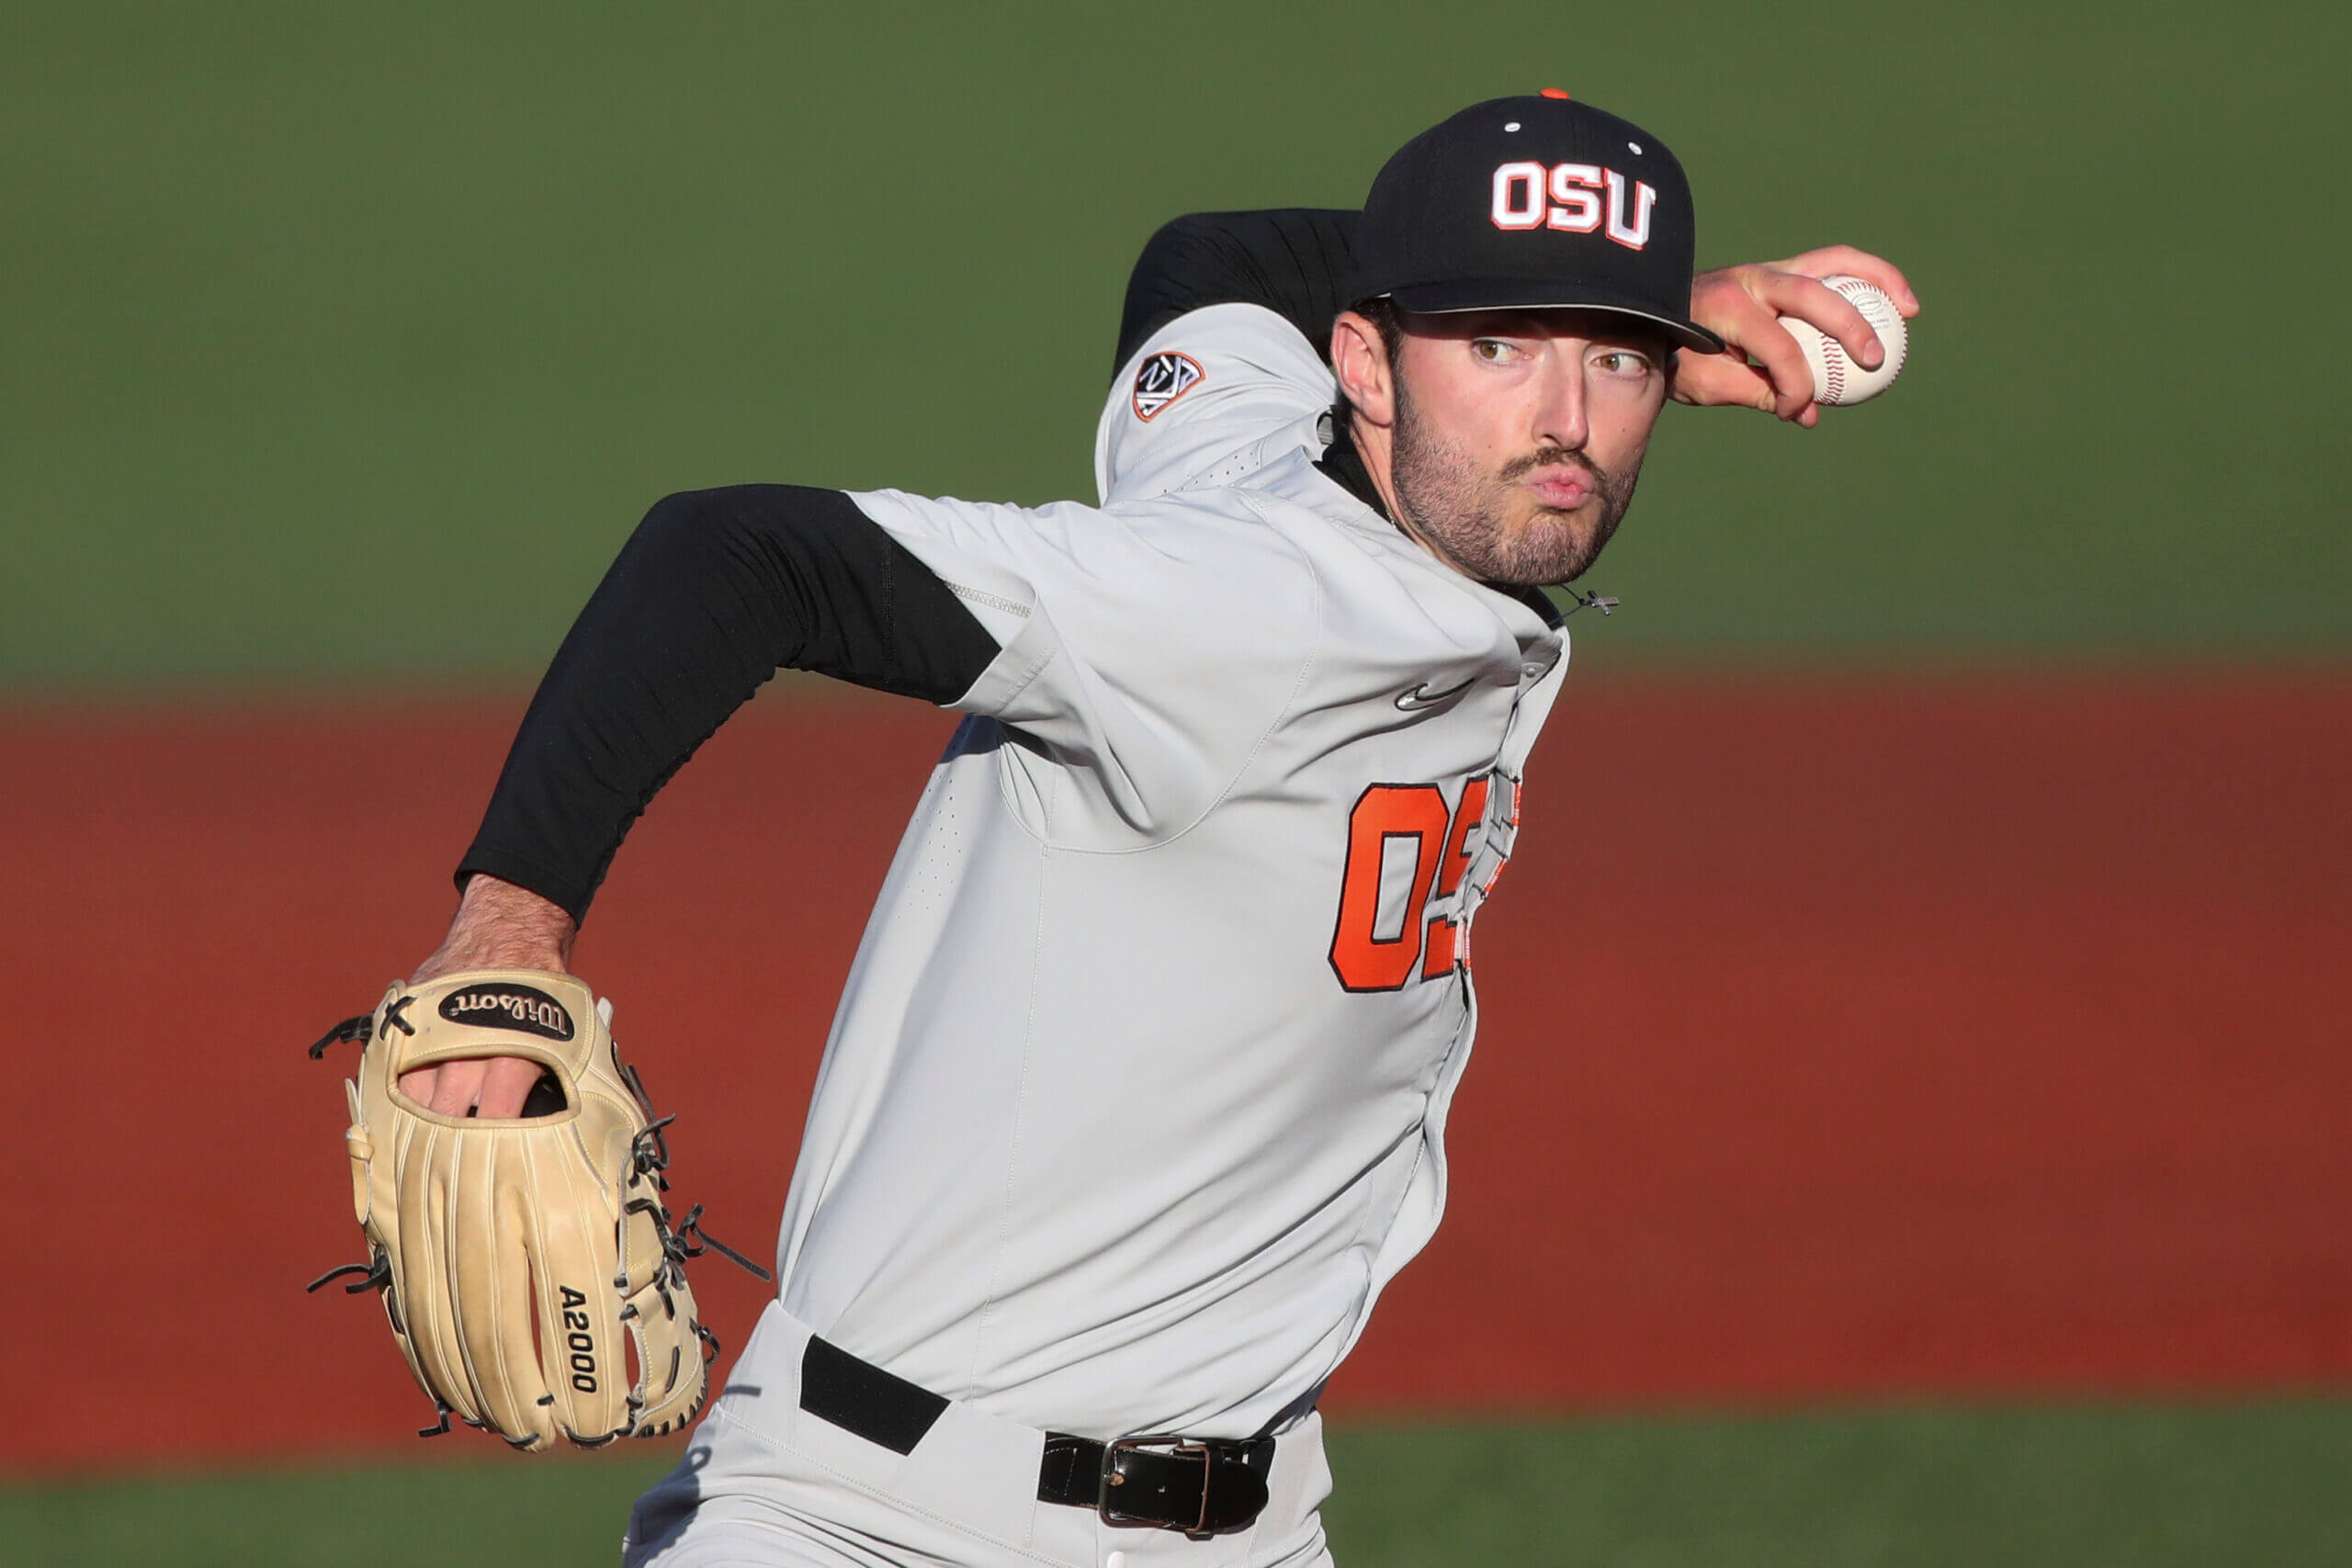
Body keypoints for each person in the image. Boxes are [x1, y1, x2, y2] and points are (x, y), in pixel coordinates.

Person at [390, 92, 1916, 1566]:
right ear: (1368, 367)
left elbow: (1214, 261)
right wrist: (512, 922)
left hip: (1247, 1536)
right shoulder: (1221, 602)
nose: (1563, 421)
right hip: (881, 1527)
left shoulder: (1244, 441)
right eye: (1500, 348)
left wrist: (1614, 284)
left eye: (1618, 360)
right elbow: (736, 555)